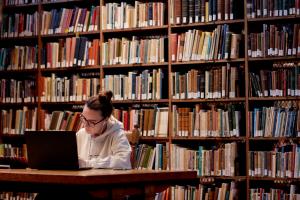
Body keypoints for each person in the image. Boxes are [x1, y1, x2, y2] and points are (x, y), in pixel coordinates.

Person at [76, 90, 132, 169]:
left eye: (92, 122)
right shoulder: (81, 134)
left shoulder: (117, 134)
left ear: (106, 119)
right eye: (83, 118)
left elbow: (123, 161)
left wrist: (88, 163)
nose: (85, 125)